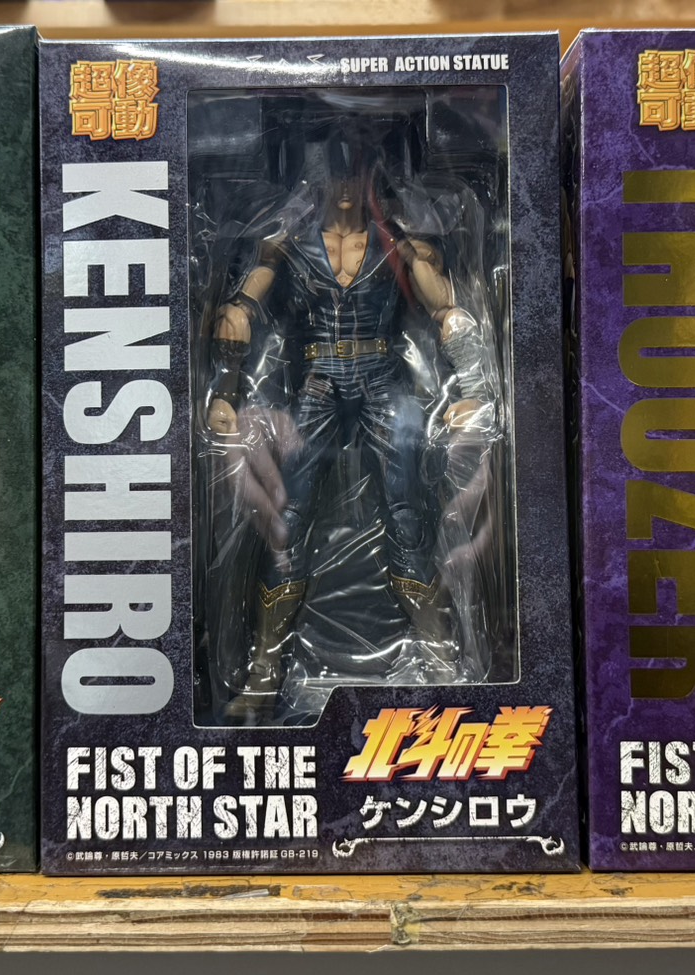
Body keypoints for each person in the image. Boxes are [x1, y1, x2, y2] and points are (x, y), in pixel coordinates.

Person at [206, 128, 496, 723]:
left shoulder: (396, 242)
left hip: (383, 377)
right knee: (285, 518)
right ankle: (264, 672)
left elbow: (447, 310)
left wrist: (472, 390)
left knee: (409, 512)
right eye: (333, 170)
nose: (343, 184)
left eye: (353, 171)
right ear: (317, 175)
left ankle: (440, 658)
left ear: (368, 176)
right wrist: (228, 383)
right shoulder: (288, 242)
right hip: (317, 381)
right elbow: (242, 307)